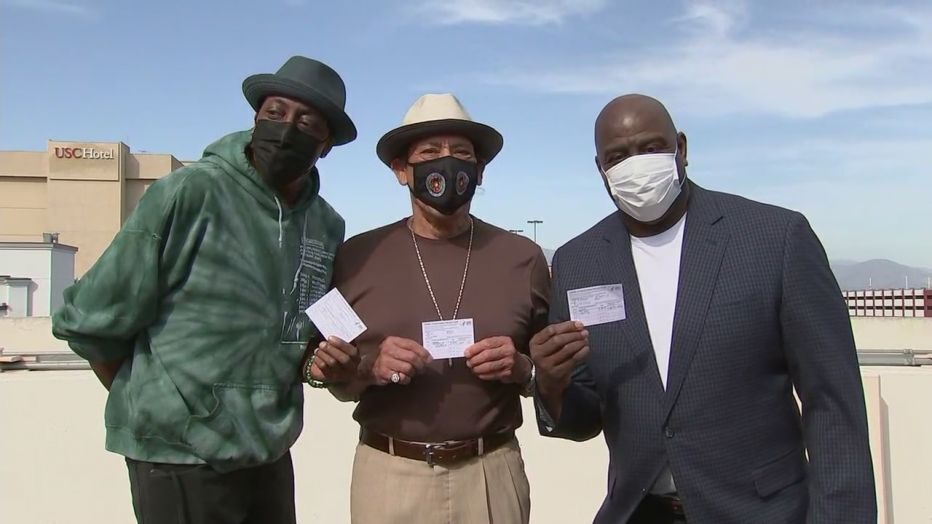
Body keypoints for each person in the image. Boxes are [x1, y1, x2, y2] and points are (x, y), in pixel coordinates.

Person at [531, 94, 876, 523]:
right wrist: (551, 384)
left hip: (760, 513)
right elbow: (585, 419)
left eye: (650, 148)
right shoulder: (577, 261)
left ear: (681, 148)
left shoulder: (775, 238)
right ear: (600, 169)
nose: (635, 166)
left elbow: (832, 403)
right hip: (639, 512)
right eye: (617, 156)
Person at [51, 55, 359, 524]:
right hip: (178, 457)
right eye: (274, 113)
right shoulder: (188, 192)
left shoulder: (325, 225)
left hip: (268, 448)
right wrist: (164, 408)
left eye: (307, 121)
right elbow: (93, 319)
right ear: (255, 118)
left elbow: (303, 330)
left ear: (327, 143)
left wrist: (323, 363)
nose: (287, 128)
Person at [310, 93, 549, 524]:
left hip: (491, 474)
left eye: (461, 153)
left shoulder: (524, 258)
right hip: (389, 474)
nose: (447, 162)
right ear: (401, 170)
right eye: (430, 153)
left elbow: (551, 373)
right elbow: (333, 376)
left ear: (480, 171)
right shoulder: (356, 257)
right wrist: (369, 367)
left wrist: (521, 368)